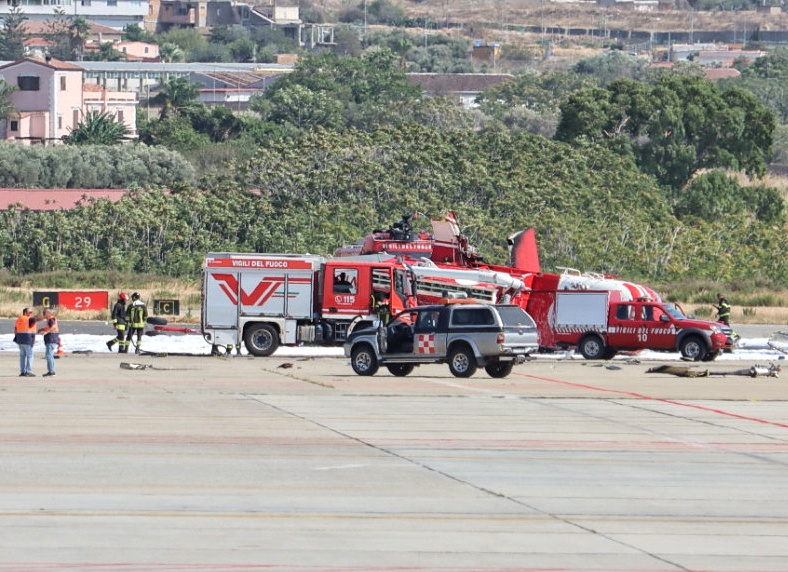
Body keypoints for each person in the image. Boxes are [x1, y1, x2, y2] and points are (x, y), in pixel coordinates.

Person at [14, 307, 36, 377]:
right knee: (30, 356)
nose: (31, 313)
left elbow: (15, 330)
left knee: (22, 357)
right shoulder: (29, 319)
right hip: (28, 340)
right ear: (25, 313)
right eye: (30, 312)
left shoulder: (19, 319)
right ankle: (28, 371)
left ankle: (22, 372)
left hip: (20, 341)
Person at [37, 308, 60, 377]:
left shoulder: (51, 319)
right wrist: (42, 329)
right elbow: (49, 327)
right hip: (52, 339)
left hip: (51, 339)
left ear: (48, 313)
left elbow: (52, 327)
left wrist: (46, 332)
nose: (44, 315)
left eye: (44, 313)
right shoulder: (50, 320)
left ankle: (51, 371)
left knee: (49, 355)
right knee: (50, 355)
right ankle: (51, 370)